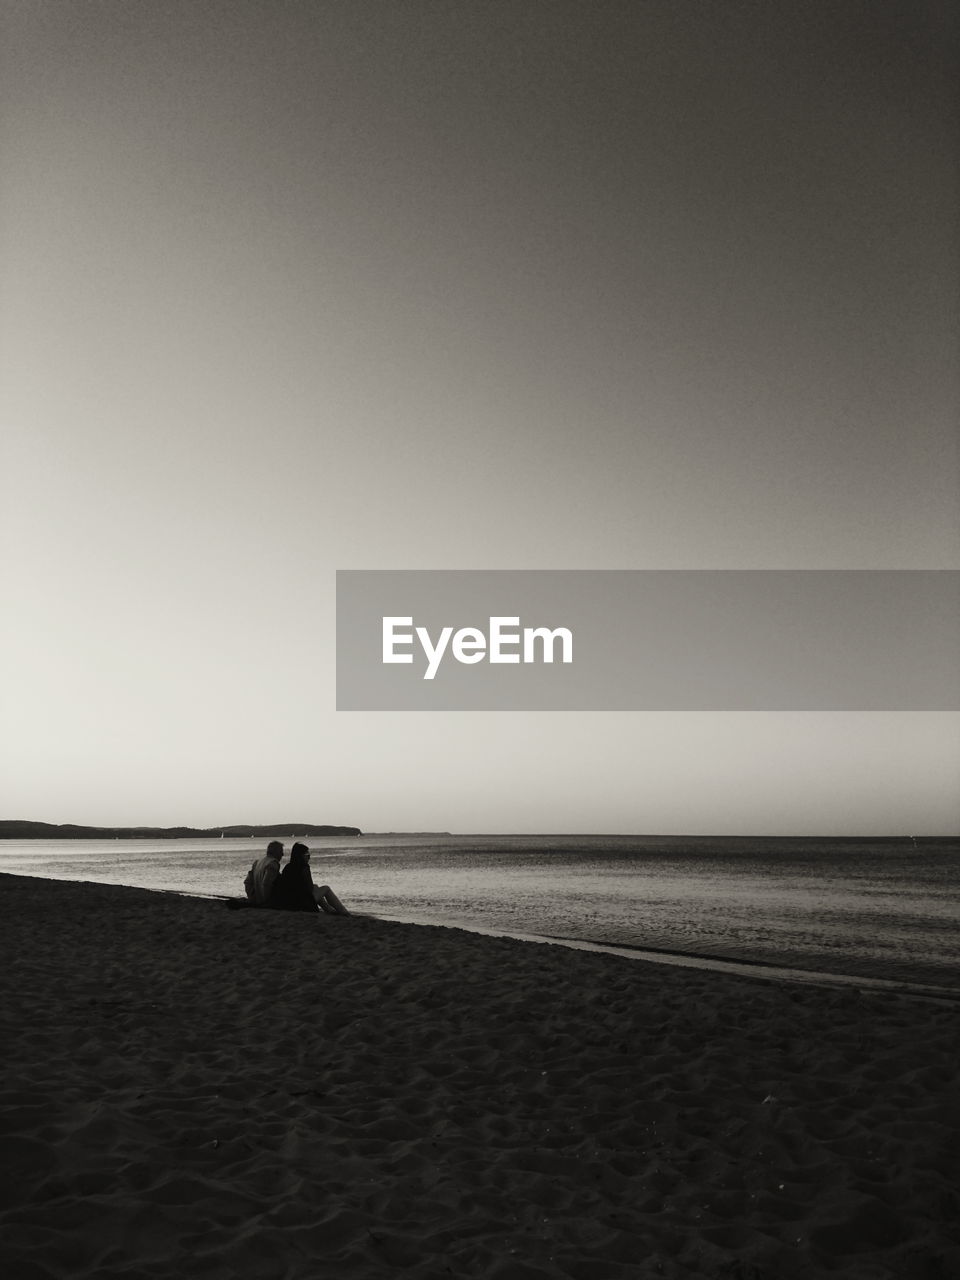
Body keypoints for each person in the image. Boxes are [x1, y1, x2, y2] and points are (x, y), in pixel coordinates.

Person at [275, 842, 351, 915]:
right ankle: (343, 911)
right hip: (301, 905)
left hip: (289, 903)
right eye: (307, 855)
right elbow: (309, 888)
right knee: (326, 888)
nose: (309, 857)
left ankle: (329, 910)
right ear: (301, 856)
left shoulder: (288, 867)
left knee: (316, 887)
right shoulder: (304, 867)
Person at [243, 840, 285, 907]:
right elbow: (266, 884)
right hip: (265, 902)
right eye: (281, 852)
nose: (283, 854)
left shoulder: (257, 862)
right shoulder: (273, 863)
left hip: (257, 900)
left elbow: (247, 882)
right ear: (276, 852)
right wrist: (266, 901)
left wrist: (252, 897)